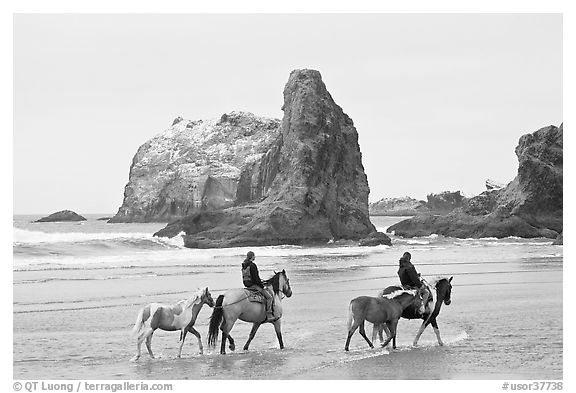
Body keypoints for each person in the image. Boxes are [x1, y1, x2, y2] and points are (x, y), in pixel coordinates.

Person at [241, 251, 275, 322]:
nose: (255, 257)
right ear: (252, 256)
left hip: (246, 284)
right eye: (254, 256)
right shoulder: (252, 265)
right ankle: (269, 314)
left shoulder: (244, 265)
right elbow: (255, 278)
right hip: (254, 285)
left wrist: (259, 281)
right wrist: (261, 285)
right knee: (269, 297)